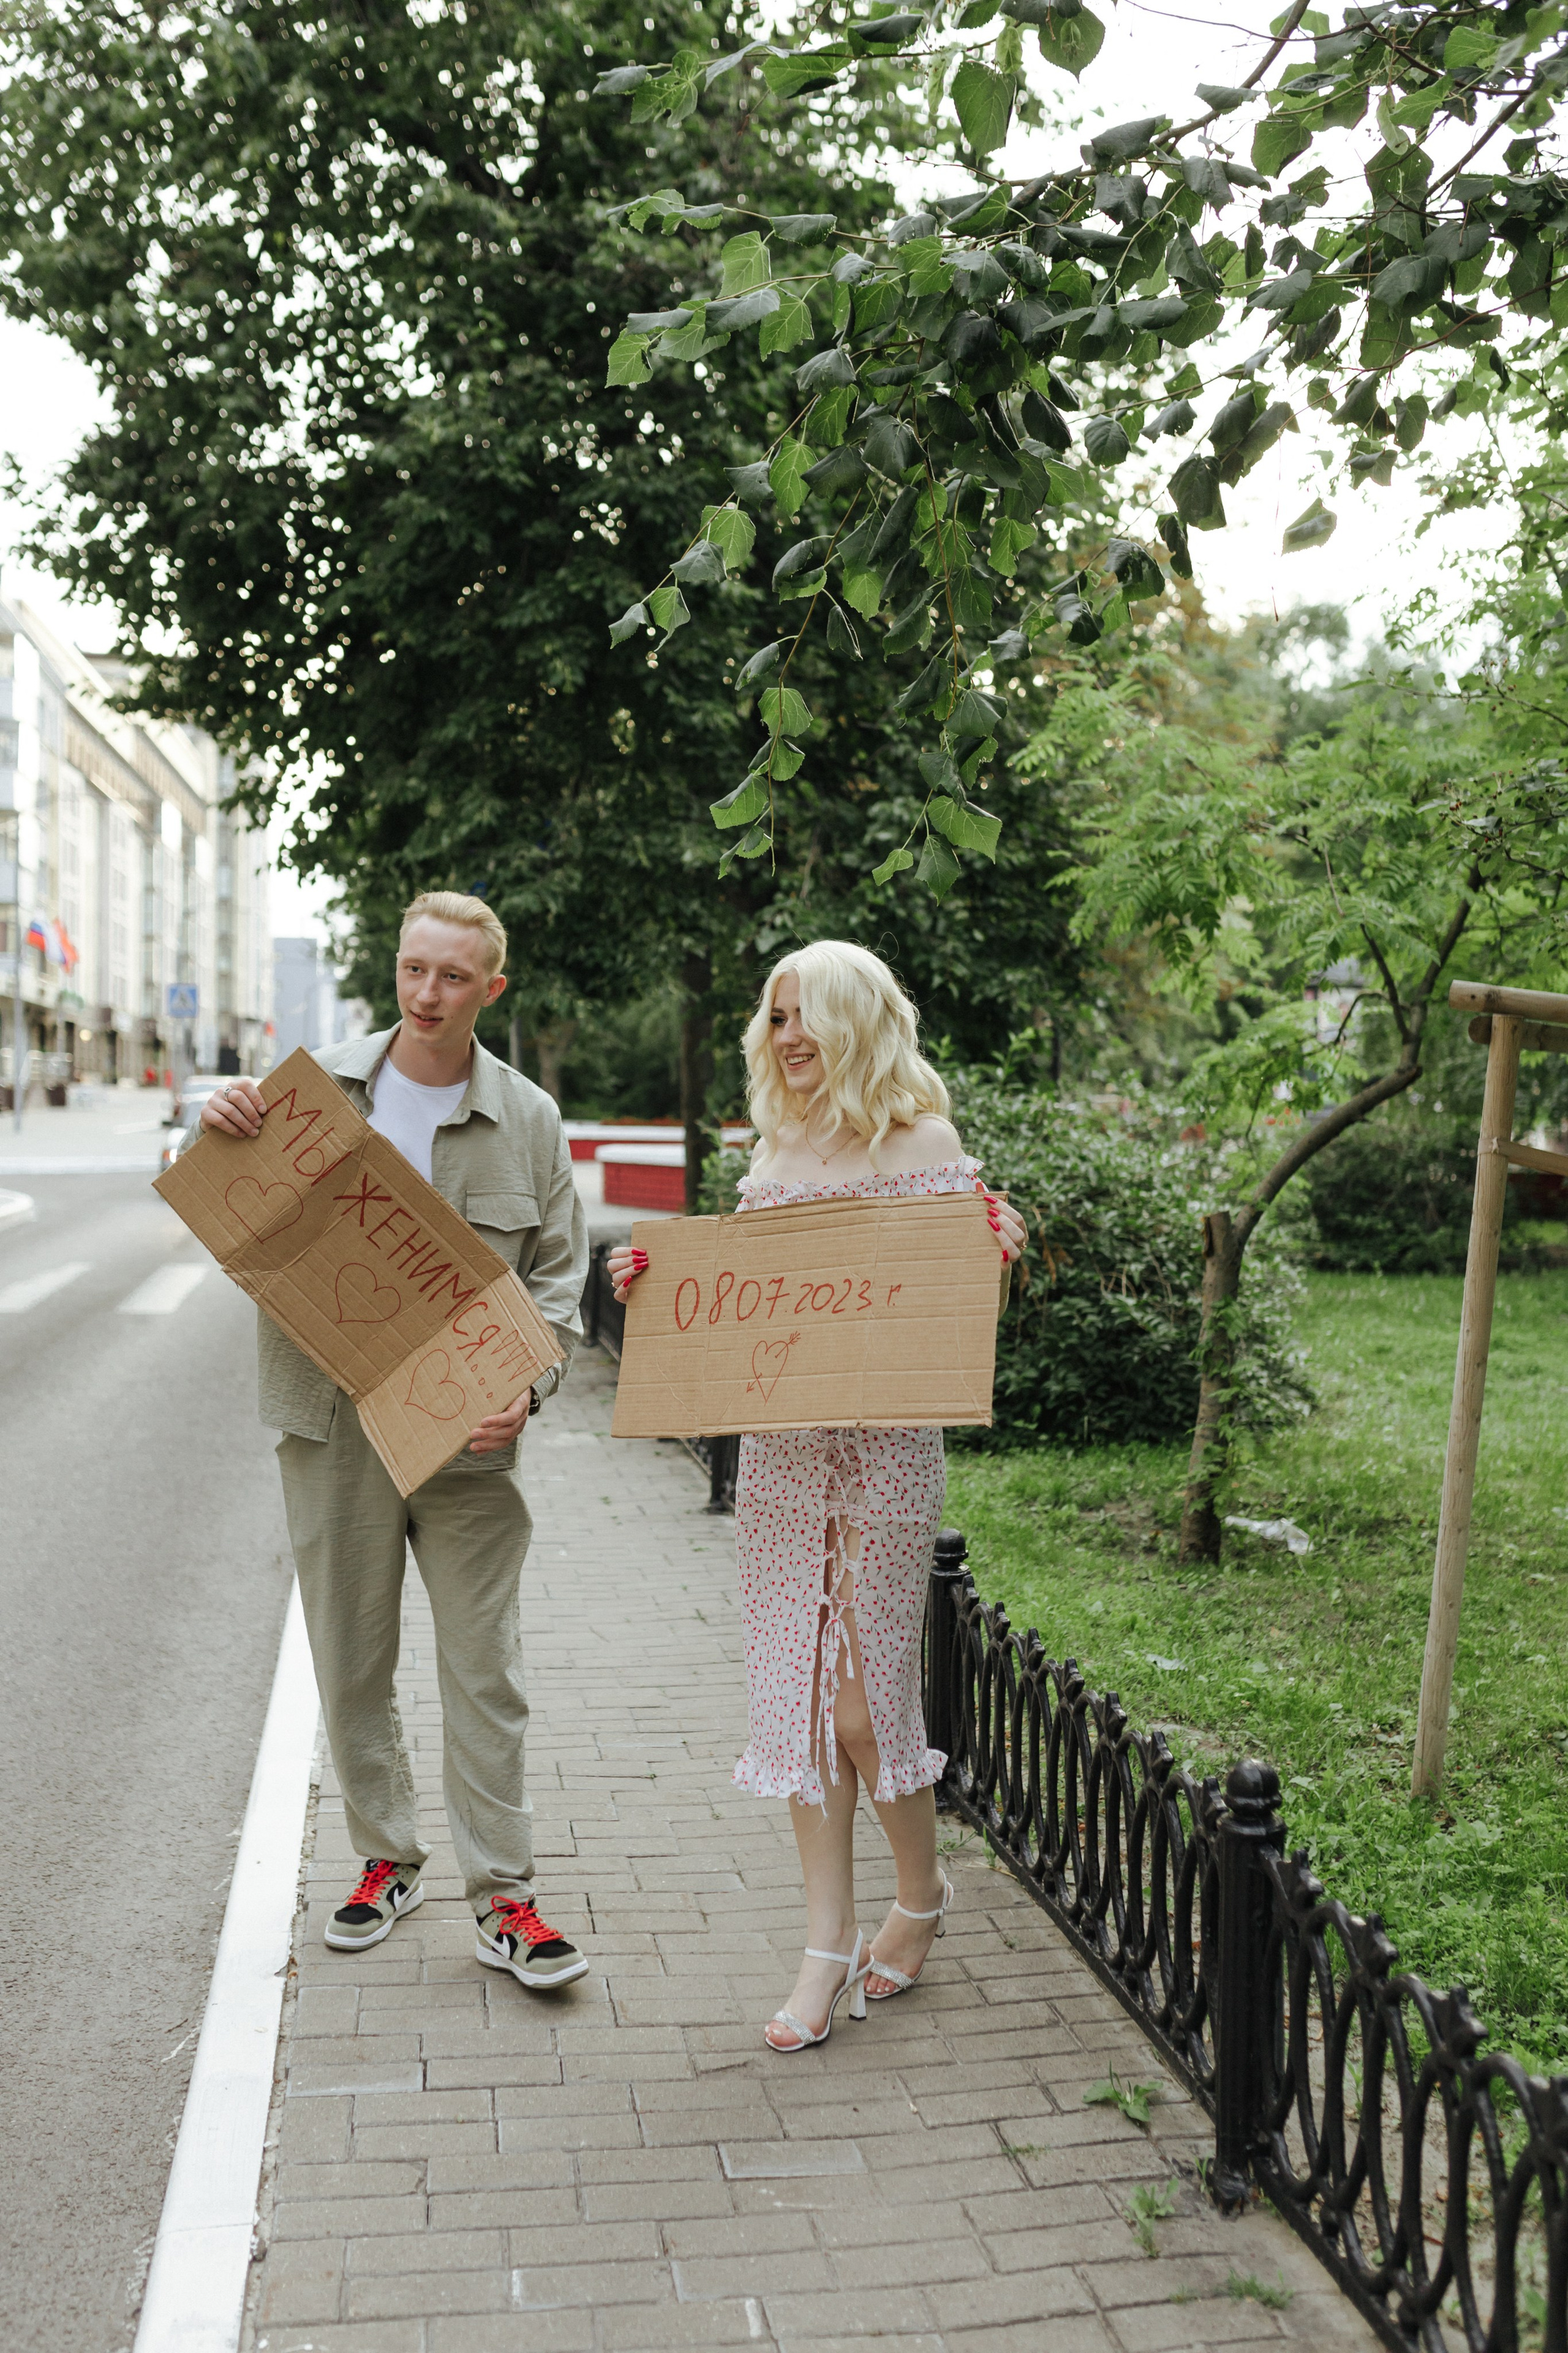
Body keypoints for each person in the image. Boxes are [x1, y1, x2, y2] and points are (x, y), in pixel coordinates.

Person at [609, 941, 1024, 2050]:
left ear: (859, 1024)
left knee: (859, 1704)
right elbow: (745, 1301)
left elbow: (954, 1287)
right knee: (795, 1705)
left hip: (885, 1452)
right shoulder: (777, 1147)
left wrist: (994, 1245)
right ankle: (826, 1944)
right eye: (776, 1016)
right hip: (786, 1455)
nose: (788, 1035)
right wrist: (659, 1290)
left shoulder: (921, 1140)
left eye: (808, 1017)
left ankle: (923, 1896)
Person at [200, 891, 590, 1992]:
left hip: (469, 1434)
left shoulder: (529, 1118)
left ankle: (504, 1896)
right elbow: (235, 1214)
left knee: (485, 1664)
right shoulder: (313, 1090)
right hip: (331, 1422)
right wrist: (217, 1129)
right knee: (351, 1654)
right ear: (398, 965)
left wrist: (532, 1384)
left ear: (491, 989)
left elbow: (557, 1283)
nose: (427, 995)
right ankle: (386, 1858)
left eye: (454, 977)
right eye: (415, 969)